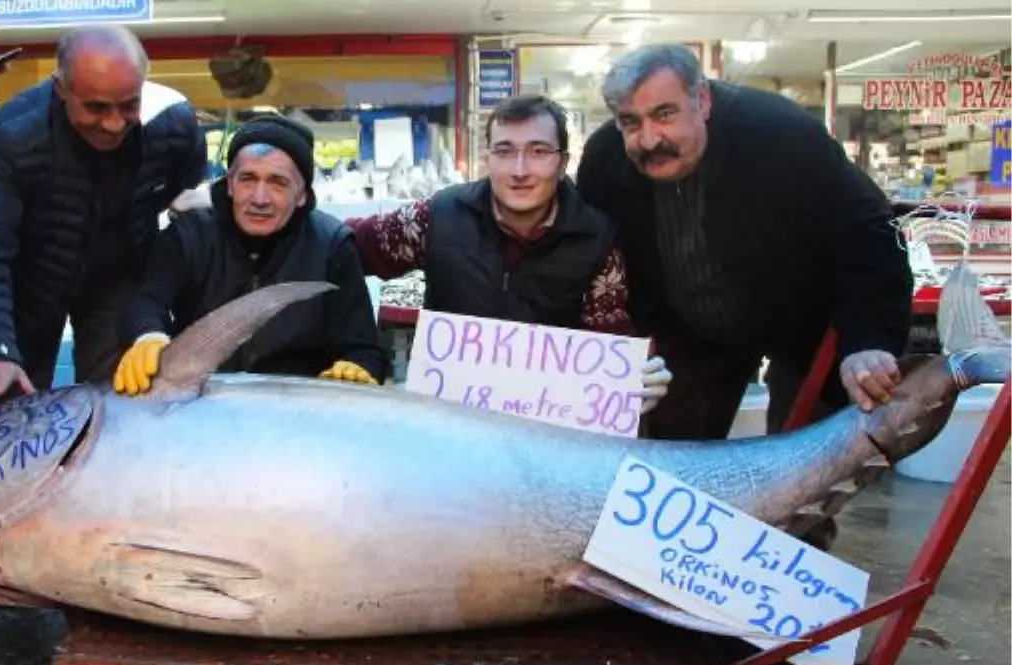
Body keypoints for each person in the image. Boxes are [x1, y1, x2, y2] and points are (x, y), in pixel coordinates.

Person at [576, 45, 912, 550]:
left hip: (802, 319)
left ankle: (787, 596)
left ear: (703, 101)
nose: (649, 138)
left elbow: (867, 228)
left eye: (664, 114)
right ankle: (677, 575)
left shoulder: (779, 135)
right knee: (671, 466)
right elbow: (597, 252)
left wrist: (867, 338)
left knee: (805, 482)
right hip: (689, 329)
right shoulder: (605, 161)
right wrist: (619, 342)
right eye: (630, 122)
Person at [344, 94, 672, 411]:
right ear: (487, 159)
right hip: (452, 425)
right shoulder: (439, 216)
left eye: (539, 151)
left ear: (562, 163)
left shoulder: (597, 239)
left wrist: (634, 382)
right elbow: (347, 247)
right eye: (504, 151)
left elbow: (608, 344)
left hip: (546, 431)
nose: (519, 170)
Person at [0, 24, 206, 406]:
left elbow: (184, 199)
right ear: (60, 88)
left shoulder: (173, 126)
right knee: (18, 403)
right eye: (97, 107)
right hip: (31, 283)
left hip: (118, 279)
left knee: (125, 397)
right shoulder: (15, 134)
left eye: (128, 104)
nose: (115, 123)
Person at [113, 113, 389, 396]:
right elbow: (148, 300)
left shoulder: (332, 246)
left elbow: (364, 348)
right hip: (201, 405)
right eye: (247, 179)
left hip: (296, 409)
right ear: (229, 184)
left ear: (303, 194)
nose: (259, 198)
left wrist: (356, 367)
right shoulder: (189, 236)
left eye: (277, 183)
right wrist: (147, 335)